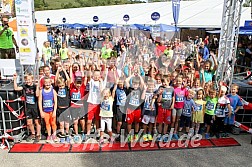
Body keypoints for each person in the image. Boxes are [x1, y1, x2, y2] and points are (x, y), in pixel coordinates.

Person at [13, 73, 41, 143]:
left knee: (37, 122)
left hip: (35, 107)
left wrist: (37, 86)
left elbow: (37, 95)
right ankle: (33, 134)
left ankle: (38, 135)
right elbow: (16, 88)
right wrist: (15, 79)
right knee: (29, 122)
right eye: (26, 80)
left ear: (32, 79)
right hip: (28, 107)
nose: (28, 81)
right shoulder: (24, 86)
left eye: (29, 80)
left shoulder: (35, 86)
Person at [155, 75, 174, 142]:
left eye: (165, 82)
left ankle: (165, 134)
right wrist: (160, 94)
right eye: (162, 82)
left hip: (168, 108)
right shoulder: (161, 88)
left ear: (168, 81)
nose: (163, 83)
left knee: (166, 122)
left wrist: (172, 104)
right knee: (160, 122)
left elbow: (173, 97)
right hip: (161, 107)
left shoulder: (172, 89)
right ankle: (160, 134)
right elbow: (158, 100)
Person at [38, 77, 57, 143]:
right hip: (45, 111)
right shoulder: (41, 91)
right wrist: (41, 111)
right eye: (46, 83)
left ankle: (54, 134)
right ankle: (49, 135)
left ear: (51, 83)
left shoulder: (53, 91)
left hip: (52, 110)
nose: (47, 84)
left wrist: (54, 111)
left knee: (53, 123)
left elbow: (55, 102)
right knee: (47, 123)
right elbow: (40, 102)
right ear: (44, 83)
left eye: (49, 82)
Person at [55, 66, 71, 142]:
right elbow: (56, 80)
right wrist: (58, 71)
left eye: (62, 86)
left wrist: (64, 70)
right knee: (61, 124)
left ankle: (67, 134)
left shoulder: (66, 88)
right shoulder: (57, 88)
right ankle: (62, 134)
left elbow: (68, 80)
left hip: (66, 108)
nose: (61, 87)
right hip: (59, 108)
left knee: (67, 124)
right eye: (60, 86)